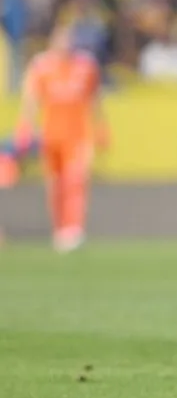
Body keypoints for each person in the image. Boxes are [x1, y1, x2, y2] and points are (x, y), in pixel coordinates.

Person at [15, 26, 107, 253]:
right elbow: (31, 98)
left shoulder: (86, 66)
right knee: (55, 184)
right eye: (62, 38)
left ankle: (74, 229)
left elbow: (94, 99)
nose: (66, 43)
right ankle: (59, 229)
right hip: (50, 135)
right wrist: (26, 127)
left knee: (75, 181)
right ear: (52, 40)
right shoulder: (41, 66)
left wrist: (100, 127)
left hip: (77, 135)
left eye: (70, 38)